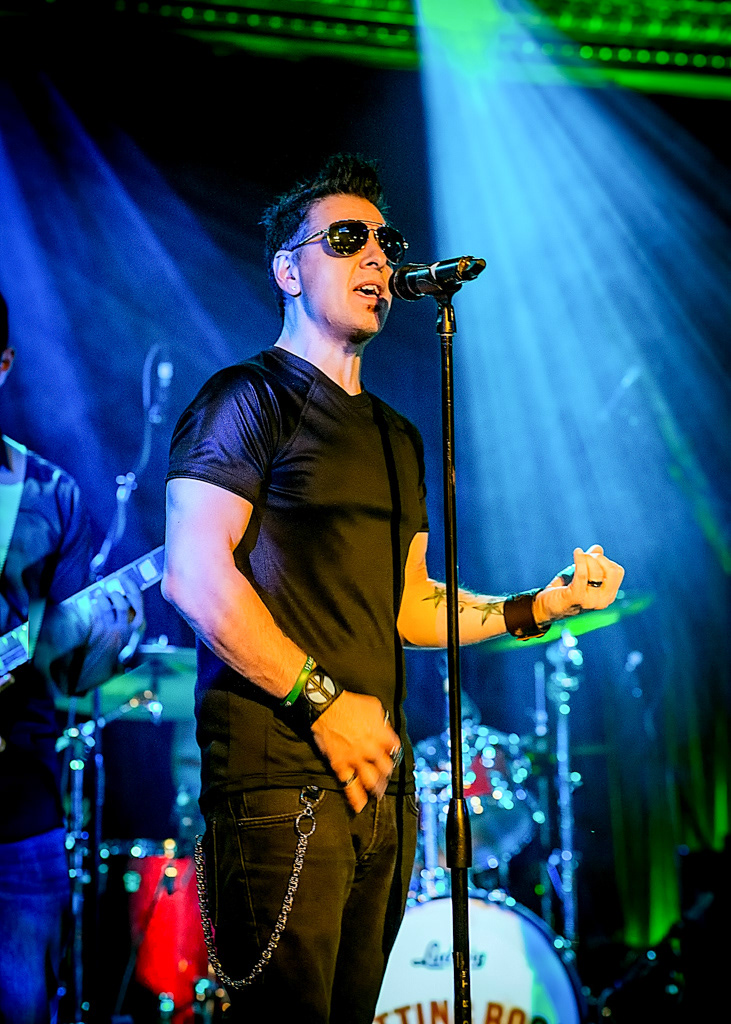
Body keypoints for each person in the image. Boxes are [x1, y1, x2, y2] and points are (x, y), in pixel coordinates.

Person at [162, 154, 624, 1023]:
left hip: (380, 791)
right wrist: (323, 702)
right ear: (288, 270)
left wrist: (539, 606)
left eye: (386, 241)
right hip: (279, 786)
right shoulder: (245, 399)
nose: (376, 256)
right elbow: (192, 574)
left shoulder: (395, 436)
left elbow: (409, 603)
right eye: (346, 239)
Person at [0, 291, 145, 1024]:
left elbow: (63, 671)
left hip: (19, 798)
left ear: (4, 365)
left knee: (23, 1001)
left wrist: (109, 646)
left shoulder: (51, 494)